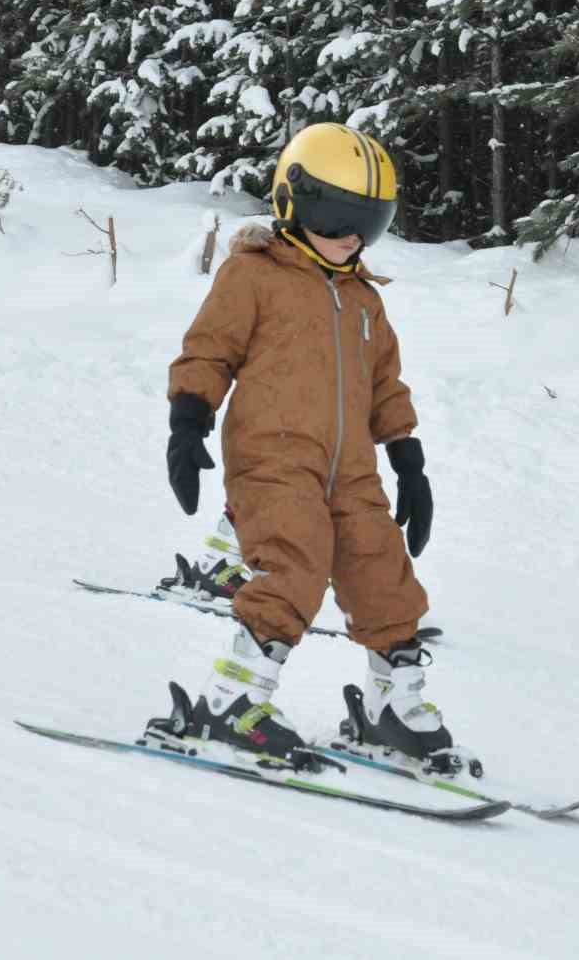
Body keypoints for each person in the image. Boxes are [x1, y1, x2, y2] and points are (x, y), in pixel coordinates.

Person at [158, 122, 449, 768]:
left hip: (351, 470)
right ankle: (231, 700)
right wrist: (188, 422)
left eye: (368, 224)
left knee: (385, 573)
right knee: (294, 565)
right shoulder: (253, 275)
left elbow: (385, 388)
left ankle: (390, 708)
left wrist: (409, 460)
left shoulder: (365, 298)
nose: (351, 237)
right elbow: (210, 348)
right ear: (296, 203)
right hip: (272, 460)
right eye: (339, 218)